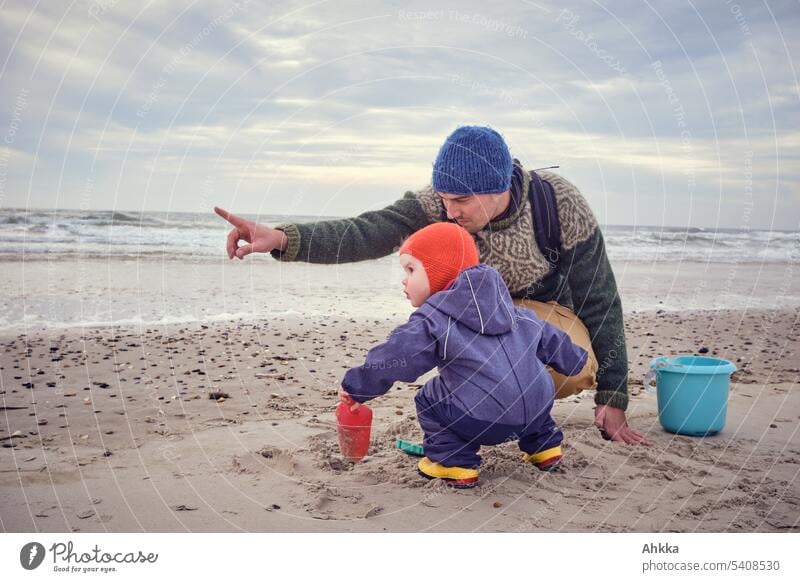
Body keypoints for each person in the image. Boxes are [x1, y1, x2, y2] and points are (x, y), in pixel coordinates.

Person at [214, 125, 648, 445]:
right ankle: (479, 405)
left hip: (538, 317)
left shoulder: (560, 203)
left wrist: (614, 398)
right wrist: (286, 239)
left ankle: (523, 407)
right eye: (444, 198)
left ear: (498, 189)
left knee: (574, 362)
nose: (449, 210)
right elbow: (371, 230)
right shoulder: (439, 201)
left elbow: (601, 299)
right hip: (465, 322)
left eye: (460, 201)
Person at [338, 222, 588, 488]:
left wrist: (358, 387)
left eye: (411, 269)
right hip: (539, 407)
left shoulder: (432, 321)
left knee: (429, 397)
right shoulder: (515, 313)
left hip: (482, 420)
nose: (404, 279)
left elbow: (396, 357)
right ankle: (545, 448)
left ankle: (453, 462)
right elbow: (552, 339)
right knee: (532, 383)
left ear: (439, 272)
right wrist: (576, 360)